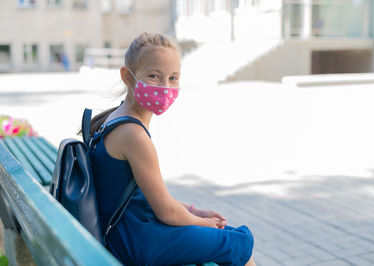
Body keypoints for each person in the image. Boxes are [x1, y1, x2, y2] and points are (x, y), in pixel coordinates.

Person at [88, 32, 255, 266]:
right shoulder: (133, 135)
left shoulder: (116, 118)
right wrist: (205, 223)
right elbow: (166, 212)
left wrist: (194, 211)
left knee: (229, 237)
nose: (165, 87)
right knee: (235, 242)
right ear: (128, 76)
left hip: (127, 230)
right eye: (154, 76)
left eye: (173, 78)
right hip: (135, 241)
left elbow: (151, 196)